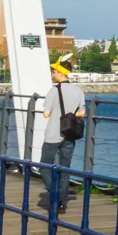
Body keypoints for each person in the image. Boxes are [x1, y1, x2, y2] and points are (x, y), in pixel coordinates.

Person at [42, 59, 88, 216]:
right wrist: (70, 115)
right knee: (64, 168)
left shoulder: (54, 91)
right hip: (69, 134)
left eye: (54, 71)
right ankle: (61, 201)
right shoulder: (78, 91)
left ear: (61, 73)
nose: (52, 74)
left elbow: (46, 113)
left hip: (53, 135)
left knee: (45, 166)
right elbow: (82, 113)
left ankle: (53, 193)